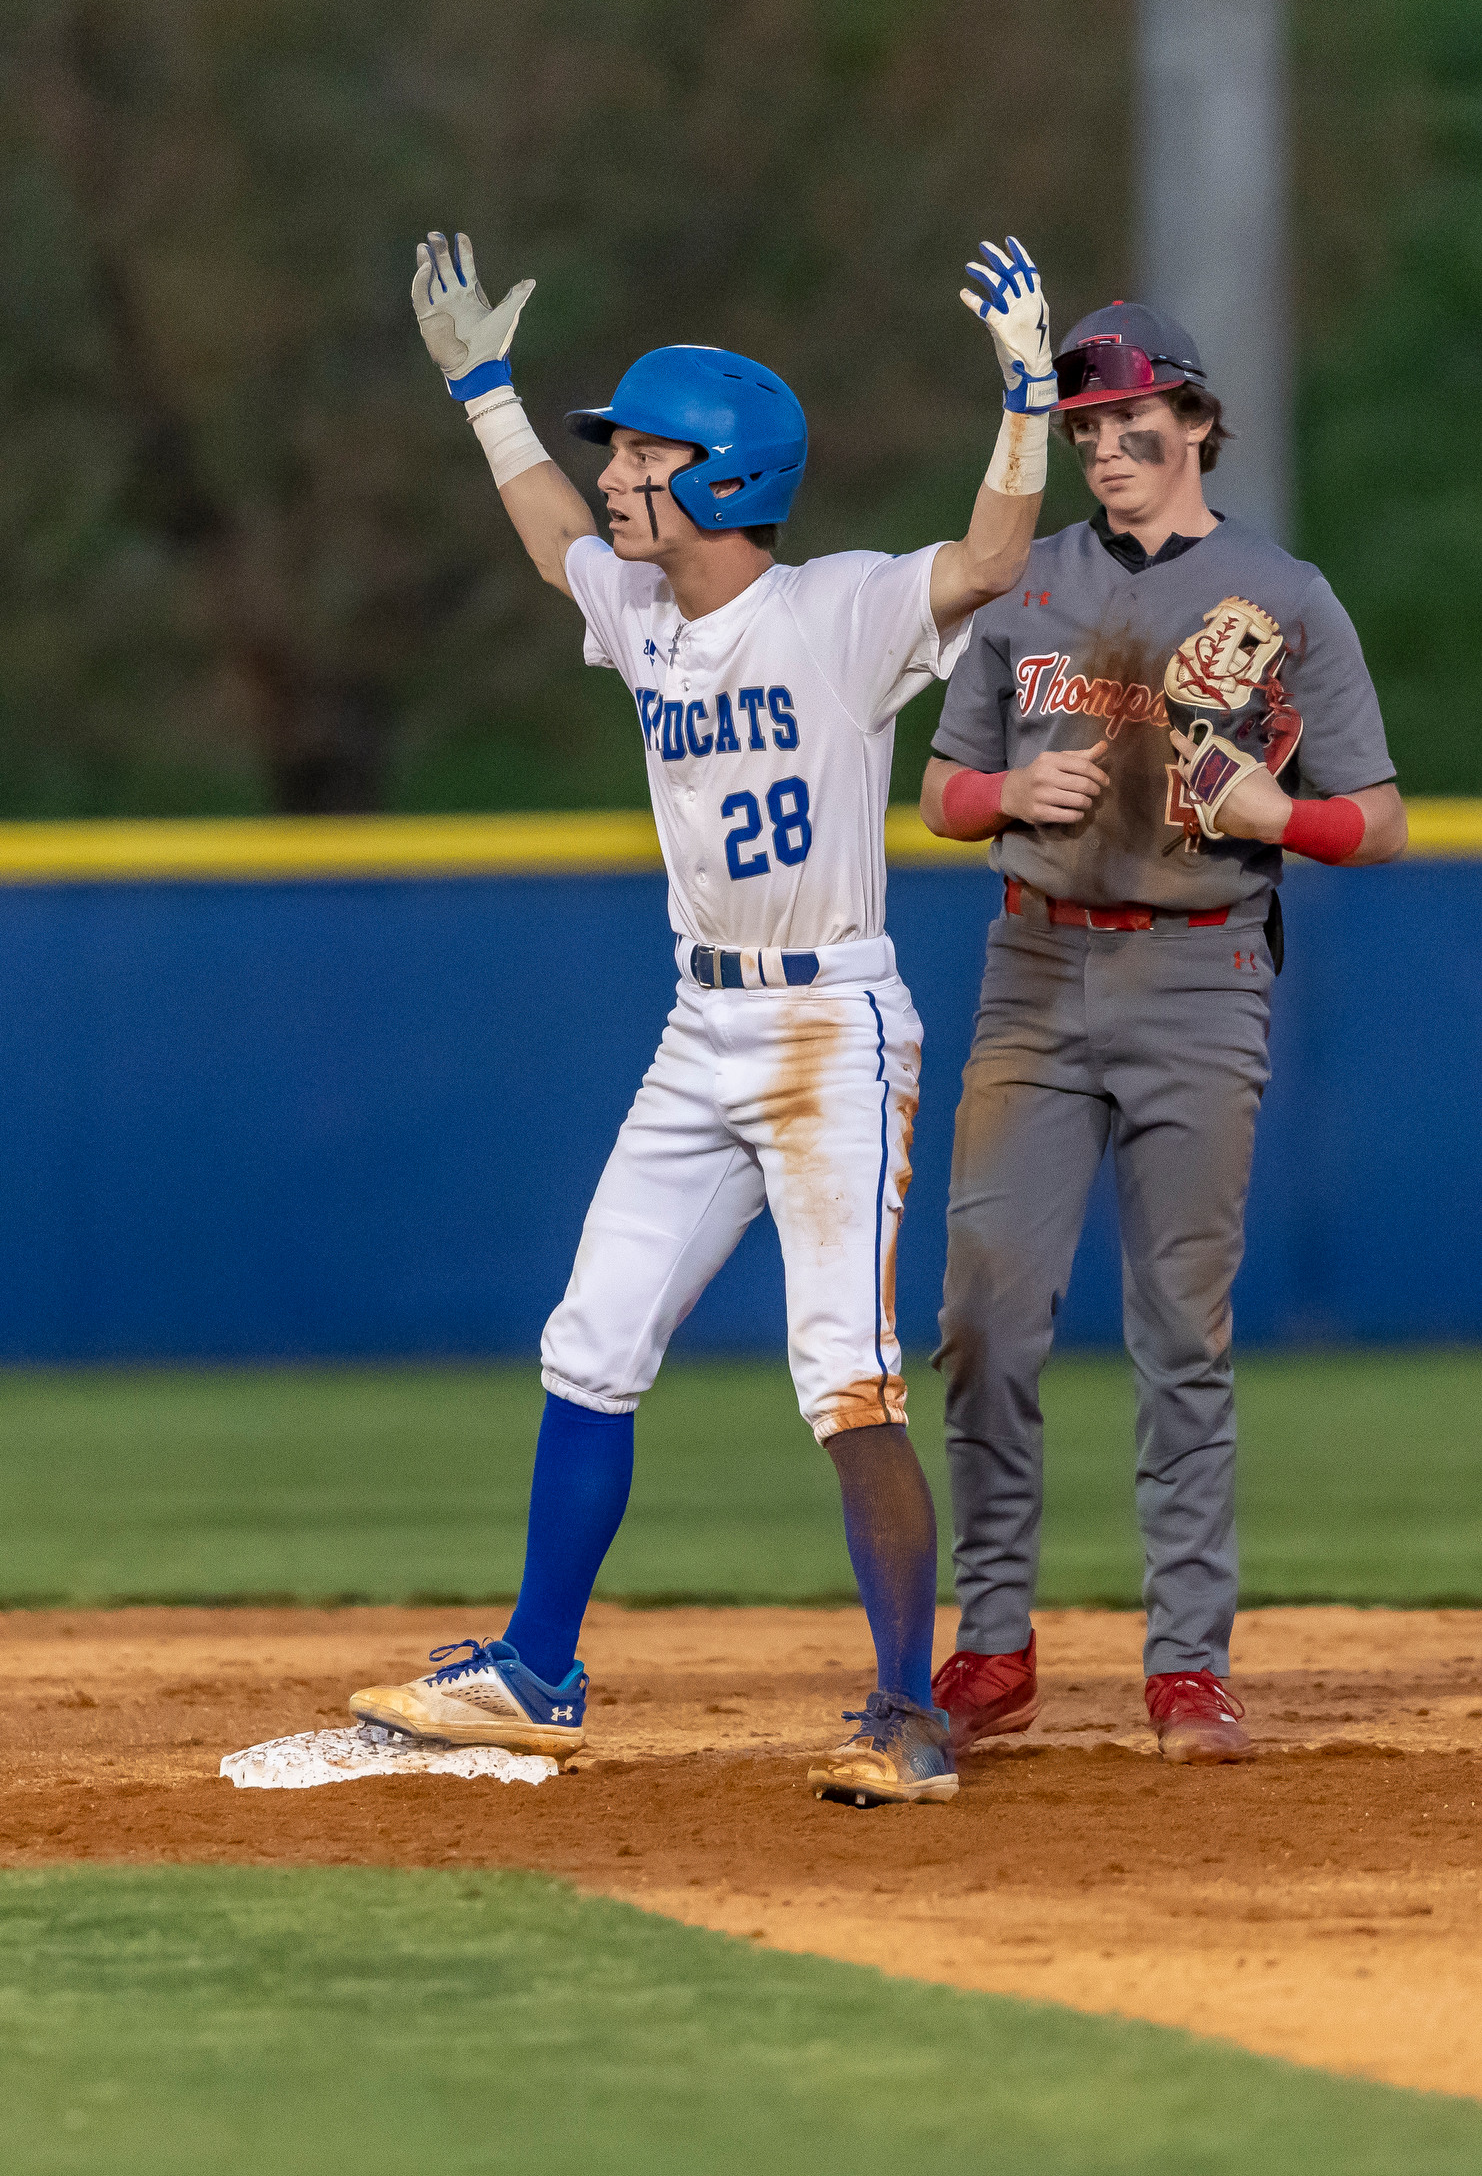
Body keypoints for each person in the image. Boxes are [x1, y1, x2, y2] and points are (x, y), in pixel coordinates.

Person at [349, 229, 1058, 1804]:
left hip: (827, 1031)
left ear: (727, 480)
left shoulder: (837, 612)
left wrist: (1024, 396)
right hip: (700, 1026)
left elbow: (991, 561)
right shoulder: (645, 607)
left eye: (646, 452)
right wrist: (483, 390)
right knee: (590, 1336)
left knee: (843, 1373)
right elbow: (550, 539)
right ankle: (537, 1669)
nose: (617, 473)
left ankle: (903, 1709)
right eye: (618, 449)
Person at [920, 299, 1407, 1765]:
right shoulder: (1024, 584)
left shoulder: (1284, 592)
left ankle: (1186, 1665)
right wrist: (1010, 798)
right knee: (984, 1316)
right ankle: (991, 1647)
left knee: (1178, 1334)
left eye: (1126, 419)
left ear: (1194, 419)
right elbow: (942, 794)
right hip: (1037, 971)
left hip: (1201, 975)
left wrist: (1281, 816)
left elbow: (1378, 821)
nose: (1101, 445)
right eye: (1078, 425)